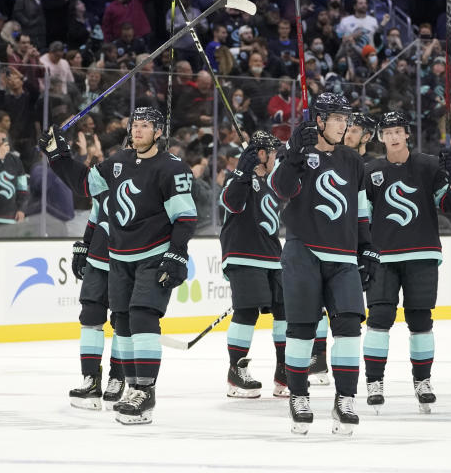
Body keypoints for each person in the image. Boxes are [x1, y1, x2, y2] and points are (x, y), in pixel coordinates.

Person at [39, 106, 197, 425]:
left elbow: (185, 217)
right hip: (119, 256)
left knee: (142, 318)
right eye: (135, 124)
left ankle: (144, 391)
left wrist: (177, 253)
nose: (137, 130)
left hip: (154, 253)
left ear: (159, 132)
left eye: (146, 125)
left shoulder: (172, 168)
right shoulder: (117, 162)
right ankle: (130, 389)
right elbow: (85, 185)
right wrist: (58, 157)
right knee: (122, 322)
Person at [268, 92, 380, 435]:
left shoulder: (352, 160)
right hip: (304, 251)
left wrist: (367, 248)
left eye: (346, 119)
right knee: (301, 328)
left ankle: (345, 398)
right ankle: (298, 396)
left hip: (343, 256)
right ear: (319, 120)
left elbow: (361, 209)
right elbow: (279, 189)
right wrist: (295, 155)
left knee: (349, 325)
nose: (344, 124)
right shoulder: (294, 151)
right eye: (337, 118)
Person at [362, 111, 451, 413]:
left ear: (407, 134)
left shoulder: (430, 166)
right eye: (387, 132)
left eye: (398, 131)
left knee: (420, 322)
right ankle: (374, 382)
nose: (393, 137)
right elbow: (362, 217)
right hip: (382, 257)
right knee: (379, 320)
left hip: (422, 253)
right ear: (380, 137)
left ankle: (423, 381)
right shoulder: (370, 171)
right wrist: (363, 249)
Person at [218, 131, 286, 398]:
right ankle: (236, 372)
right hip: (242, 251)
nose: (276, 158)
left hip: (272, 254)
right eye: (273, 153)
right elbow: (230, 203)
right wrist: (242, 174)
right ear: (261, 154)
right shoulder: (237, 177)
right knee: (247, 312)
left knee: (285, 311)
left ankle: (284, 370)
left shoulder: (274, 179)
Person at [67, 192, 128, 411]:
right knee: (90, 316)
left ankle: (118, 376)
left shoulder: (148, 177)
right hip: (98, 260)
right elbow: (95, 217)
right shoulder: (109, 176)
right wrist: (85, 245)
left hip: (128, 262)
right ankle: (90, 379)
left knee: (123, 321)